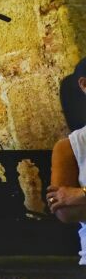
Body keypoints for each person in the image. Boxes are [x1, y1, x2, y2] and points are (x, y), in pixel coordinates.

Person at [46, 58, 86, 262]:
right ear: (84, 85)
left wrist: (80, 194)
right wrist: (74, 201)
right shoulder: (69, 148)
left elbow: (78, 205)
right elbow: (66, 212)